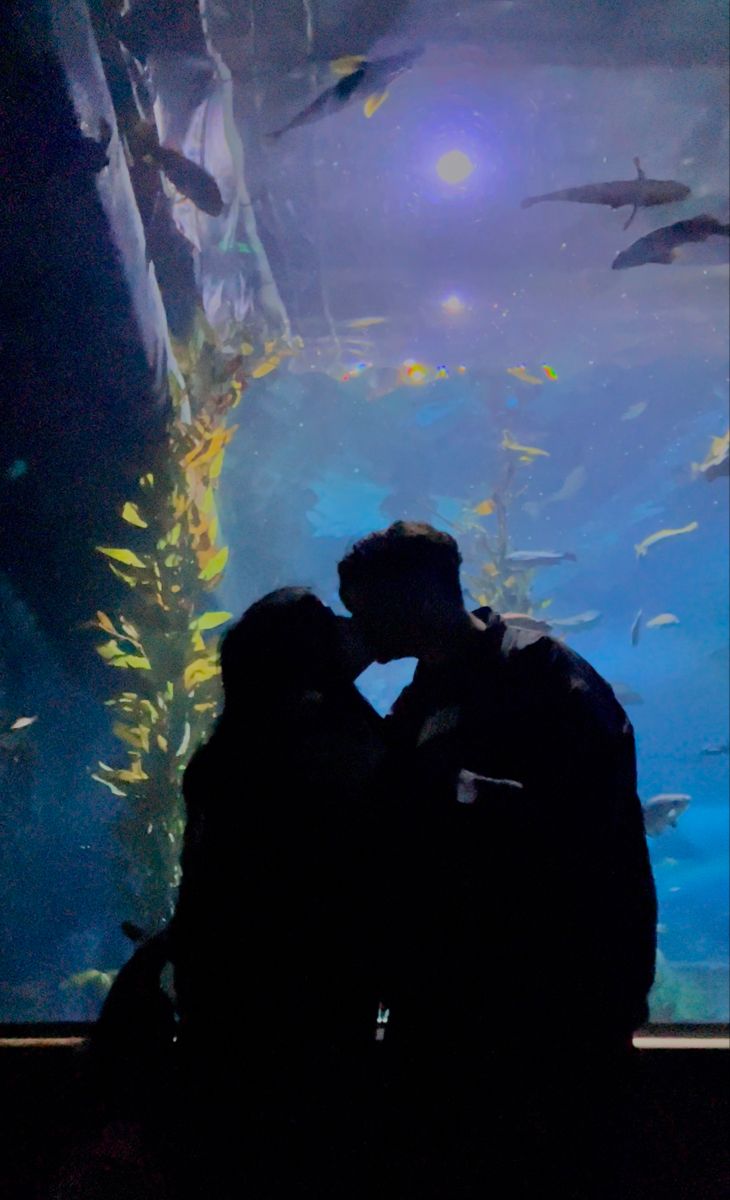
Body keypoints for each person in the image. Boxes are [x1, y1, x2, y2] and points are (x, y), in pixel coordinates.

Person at [337, 520, 658, 1198]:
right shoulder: (422, 693)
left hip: (550, 1005)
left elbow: (595, 834)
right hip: (456, 1006)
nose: (357, 626)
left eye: (366, 609)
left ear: (418, 599)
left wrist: (460, 791)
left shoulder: (545, 676)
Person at [169, 587, 389, 1198]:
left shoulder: (233, 748)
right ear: (306, 655)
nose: (347, 625)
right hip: (310, 1002)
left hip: (227, 1001)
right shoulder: (329, 745)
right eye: (328, 622)